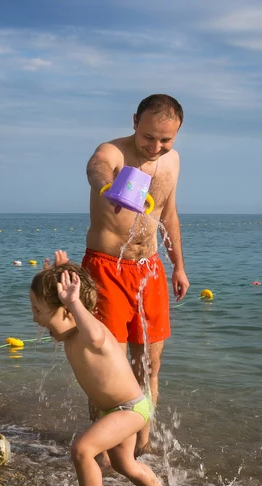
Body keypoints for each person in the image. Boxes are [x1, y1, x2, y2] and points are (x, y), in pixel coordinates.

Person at [30, 255, 178, 486]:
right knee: (125, 464)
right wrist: (56, 275)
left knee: (83, 449)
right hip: (118, 410)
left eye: (38, 310)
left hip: (129, 409)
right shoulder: (71, 331)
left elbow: (95, 335)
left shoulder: (92, 333)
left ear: (68, 311)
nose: (34, 317)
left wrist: (72, 301)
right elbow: (64, 316)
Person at [83, 94, 190, 456]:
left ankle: (141, 449)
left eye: (166, 140)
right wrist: (107, 186)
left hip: (151, 271)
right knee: (109, 368)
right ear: (134, 122)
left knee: (150, 364)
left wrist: (179, 266)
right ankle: (105, 453)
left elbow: (168, 215)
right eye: (149, 137)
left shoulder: (172, 161)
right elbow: (97, 166)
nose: (156, 146)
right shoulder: (113, 152)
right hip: (106, 269)